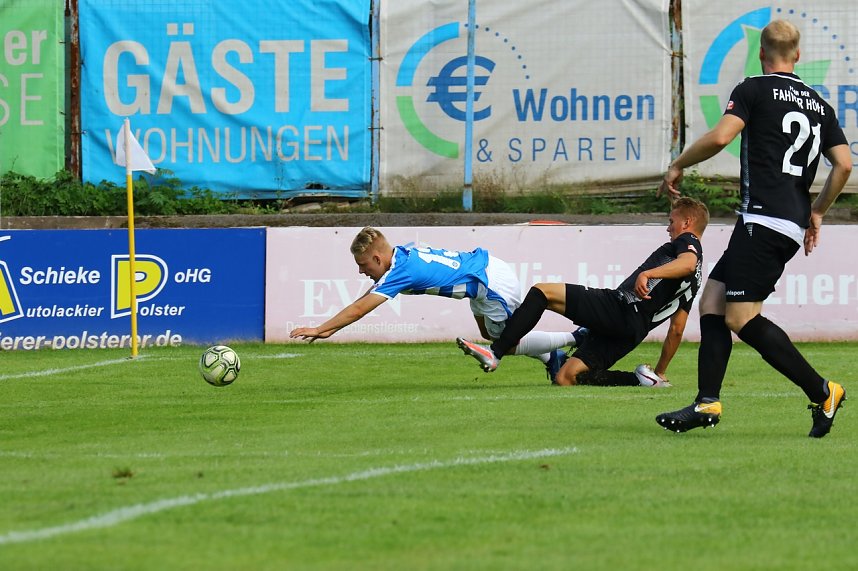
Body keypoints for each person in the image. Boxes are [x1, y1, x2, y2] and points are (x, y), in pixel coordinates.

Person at [655, 20, 852, 438]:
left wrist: (679, 165)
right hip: (783, 223)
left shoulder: (753, 88)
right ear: (797, 56)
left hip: (763, 221)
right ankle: (707, 402)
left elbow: (723, 137)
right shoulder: (819, 104)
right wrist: (817, 212)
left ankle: (823, 391)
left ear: (761, 54)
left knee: (742, 317)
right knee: (713, 300)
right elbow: (844, 165)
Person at [457, 197, 709, 387]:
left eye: (671, 221)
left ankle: (496, 352)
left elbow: (687, 261)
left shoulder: (687, 244)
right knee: (566, 377)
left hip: (621, 307)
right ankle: (638, 381)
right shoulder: (695, 280)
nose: (668, 228)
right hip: (632, 332)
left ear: (687, 222)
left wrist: (648, 273)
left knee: (542, 292)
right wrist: (661, 371)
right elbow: (677, 329)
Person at [289, 226, 583, 381]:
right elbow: (366, 298)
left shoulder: (400, 270)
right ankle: (552, 358)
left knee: (505, 341)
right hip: (484, 273)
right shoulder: (401, 254)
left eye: (364, 264)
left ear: (378, 258)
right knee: (492, 334)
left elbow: (360, 308)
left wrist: (323, 329)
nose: (361, 271)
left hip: (491, 282)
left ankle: (577, 337)